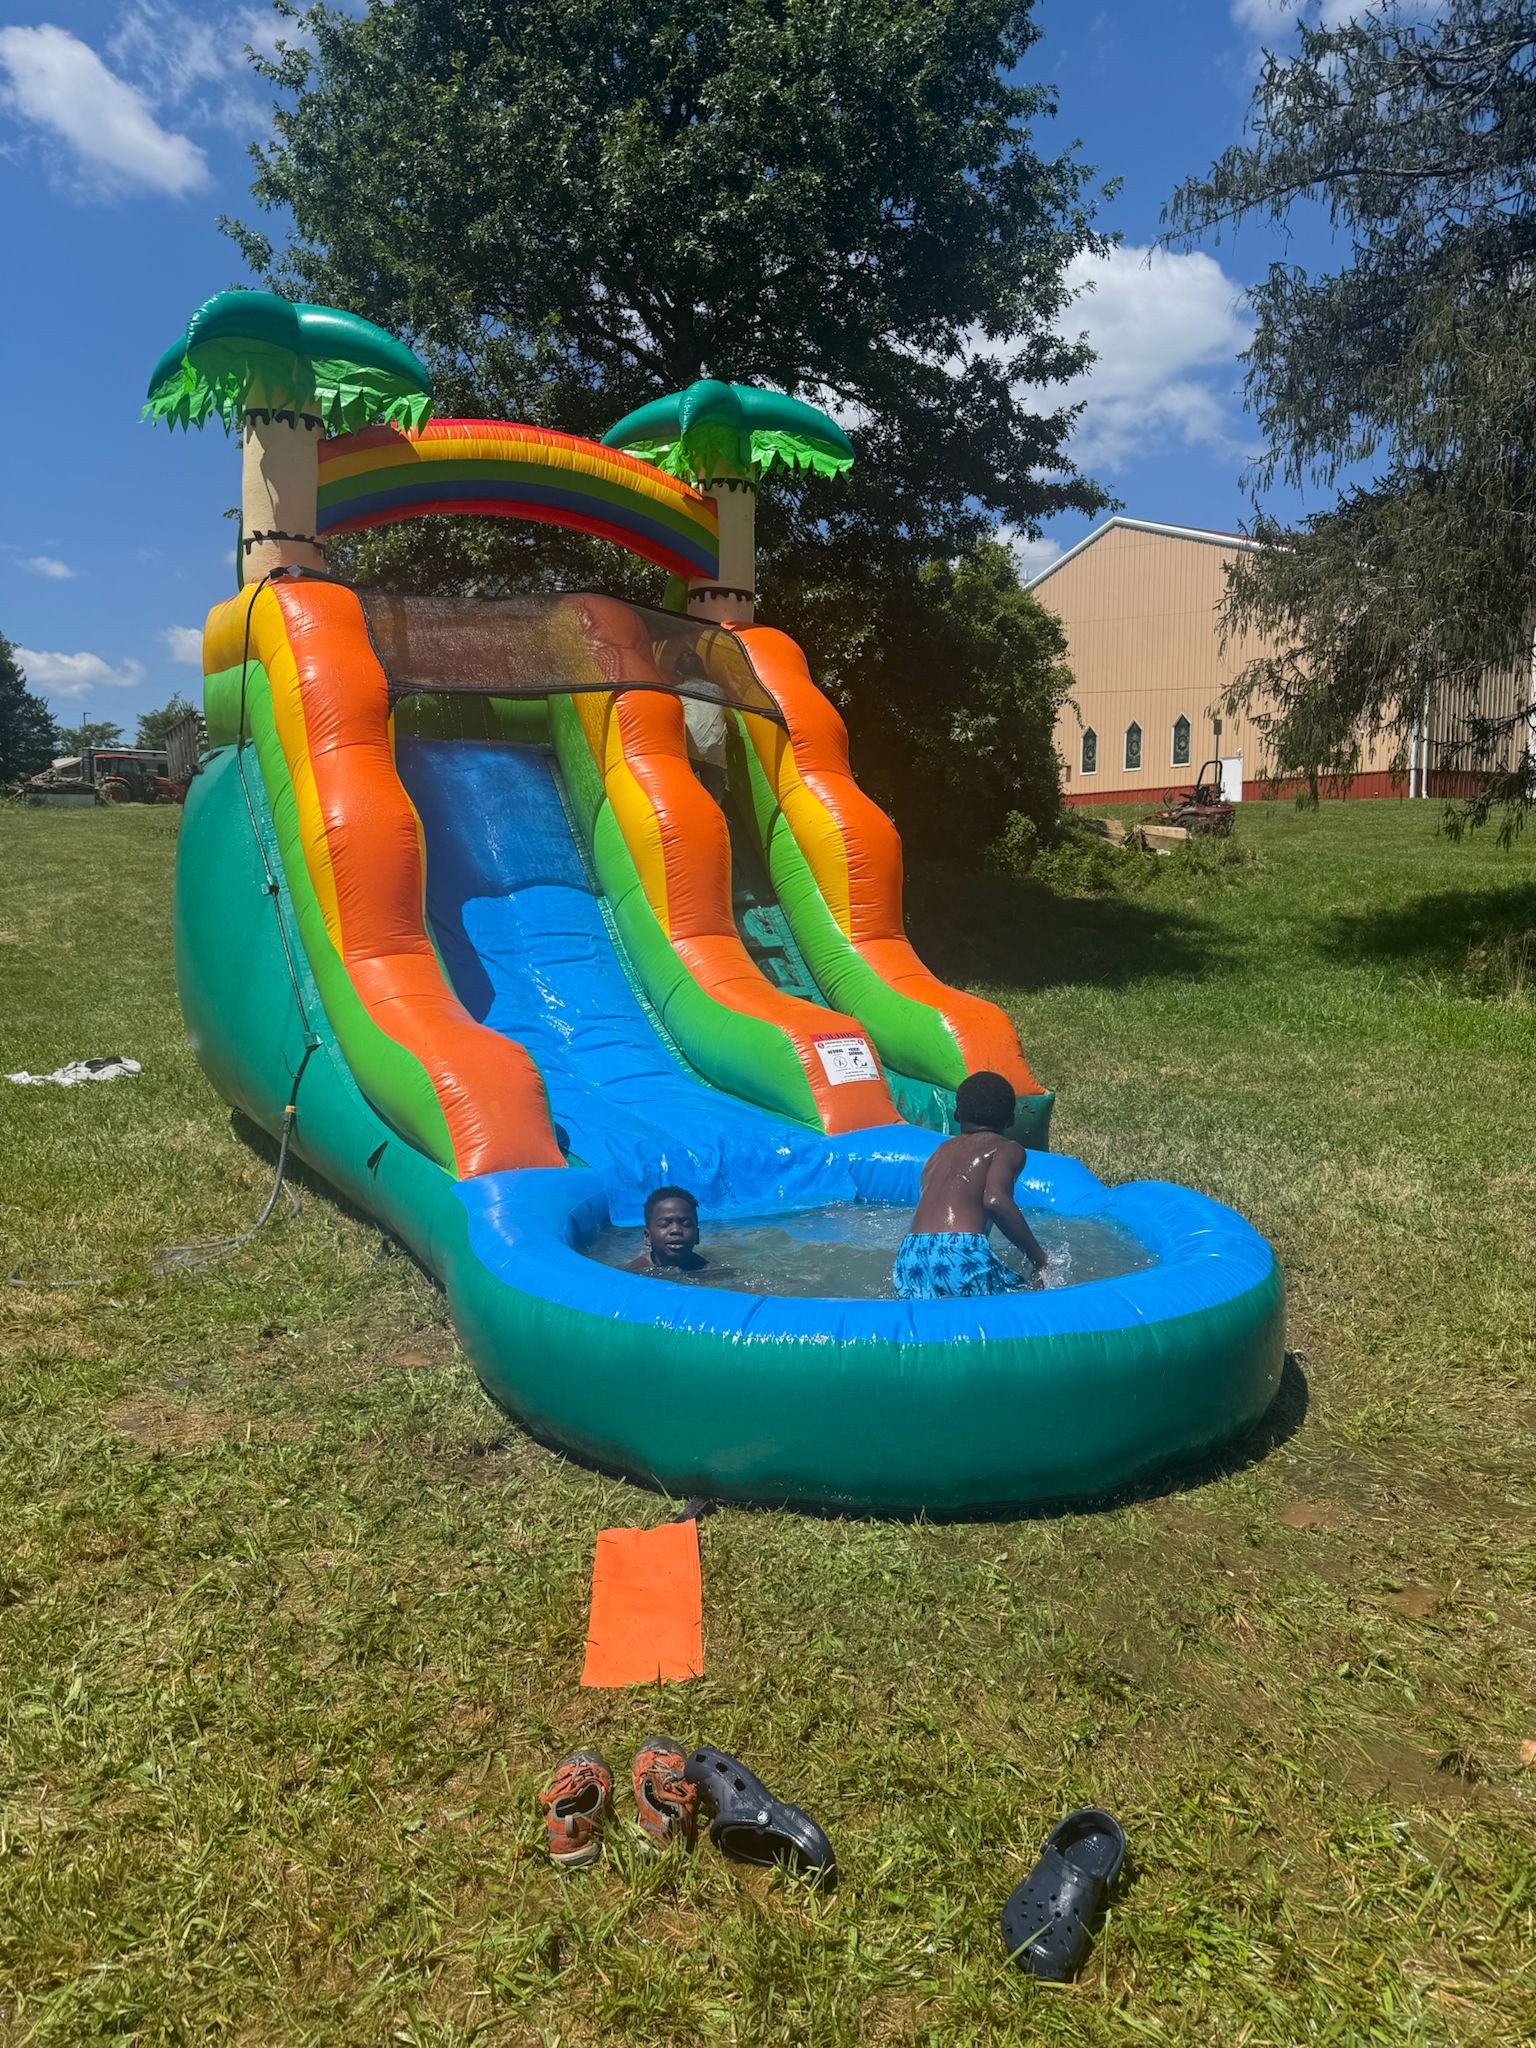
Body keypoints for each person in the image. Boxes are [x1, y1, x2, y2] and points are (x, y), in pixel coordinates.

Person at [892, 1071, 1049, 1300]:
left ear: (956, 1114)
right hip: (960, 1250)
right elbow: (995, 1200)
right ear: (1012, 1119)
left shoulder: (938, 1154)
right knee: (1020, 1301)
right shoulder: (1007, 1148)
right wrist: (1039, 1258)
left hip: (911, 1253)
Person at [627, 1186, 709, 1275]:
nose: (676, 1230)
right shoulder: (634, 1272)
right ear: (648, 1237)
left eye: (686, 1224)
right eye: (664, 1224)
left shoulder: (707, 1269)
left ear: (697, 1236)